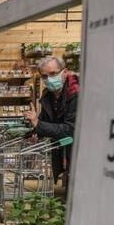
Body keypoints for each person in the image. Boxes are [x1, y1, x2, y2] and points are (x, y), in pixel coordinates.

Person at [24, 56, 78, 189]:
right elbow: (44, 121)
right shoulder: (48, 95)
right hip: (64, 148)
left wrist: (39, 124)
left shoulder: (76, 93)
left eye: (53, 74)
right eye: (44, 76)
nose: (49, 79)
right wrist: (35, 133)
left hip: (82, 150)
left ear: (65, 72)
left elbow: (71, 129)